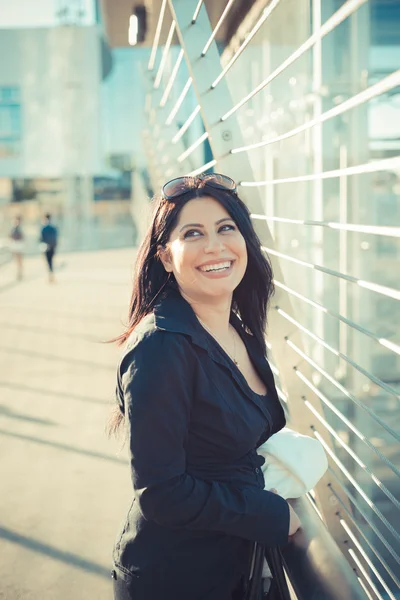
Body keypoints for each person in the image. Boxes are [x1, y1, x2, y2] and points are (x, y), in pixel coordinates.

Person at [109, 173, 301, 600]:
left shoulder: (237, 330)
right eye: (192, 233)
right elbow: (162, 493)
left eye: (226, 228)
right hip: (180, 578)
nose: (215, 246)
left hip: (238, 567)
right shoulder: (161, 347)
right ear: (164, 256)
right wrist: (269, 513)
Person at [40, 213, 58, 283]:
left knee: (49, 261)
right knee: (51, 261)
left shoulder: (44, 227)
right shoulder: (53, 227)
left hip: (47, 246)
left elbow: (41, 238)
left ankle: (50, 276)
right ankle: (51, 275)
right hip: (52, 246)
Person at [9, 215, 25, 281]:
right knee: (17, 260)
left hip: (19, 245)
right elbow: (10, 236)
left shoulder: (19, 228)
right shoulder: (13, 228)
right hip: (15, 245)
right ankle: (18, 273)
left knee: (19, 260)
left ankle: (20, 273)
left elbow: (22, 237)